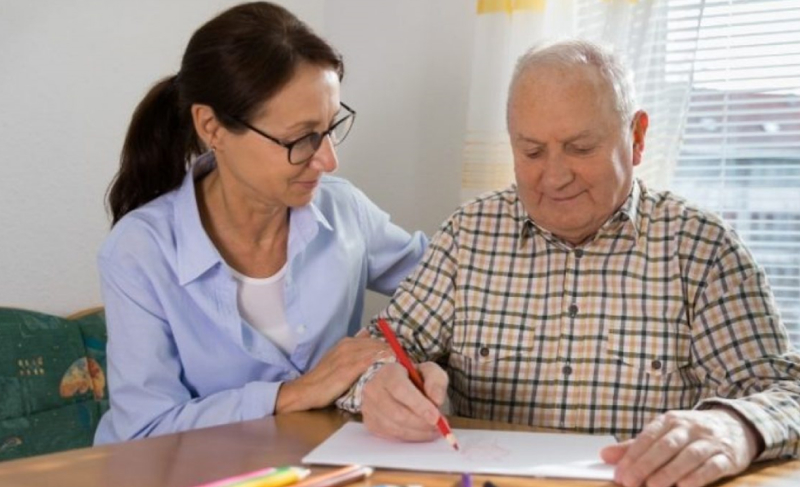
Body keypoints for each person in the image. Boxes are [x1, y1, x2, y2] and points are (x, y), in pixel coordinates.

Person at [337, 40, 800, 487]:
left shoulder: (703, 250)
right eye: (532, 151)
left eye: (580, 148)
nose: (555, 177)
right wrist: (378, 385)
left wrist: (737, 428)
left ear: (637, 138)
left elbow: (786, 394)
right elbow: (377, 349)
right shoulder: (468, 235)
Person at [94, 2, 427, 444]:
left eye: (330, 128)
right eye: (301, 138)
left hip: (313, 468)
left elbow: (448, 283)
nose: (329, 160)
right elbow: (146, 429)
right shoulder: (139, 250)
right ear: (211, 127)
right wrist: (295, 394)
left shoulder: (345, 211)